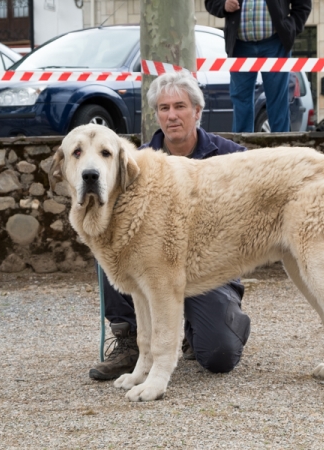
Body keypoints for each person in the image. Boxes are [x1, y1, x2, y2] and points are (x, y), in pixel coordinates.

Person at [89, 71, 251, 381]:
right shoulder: (133, 164)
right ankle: (129, 342)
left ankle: (223, 324)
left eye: (180, 106)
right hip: (150, 269)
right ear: (156, 115)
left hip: (207, 270)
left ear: (197, 111)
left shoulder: (231, 158)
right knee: (112, 246)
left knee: (219, 356)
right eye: (164, 108)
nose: (172, 115)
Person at [205, 0, 312, 132]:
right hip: (240, 46)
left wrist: (291, 27)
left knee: (278, 101)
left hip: (275, 43)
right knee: (241, 100)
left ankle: (280, 149)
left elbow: (303, 4)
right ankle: (242, 148)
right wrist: (223, 5)